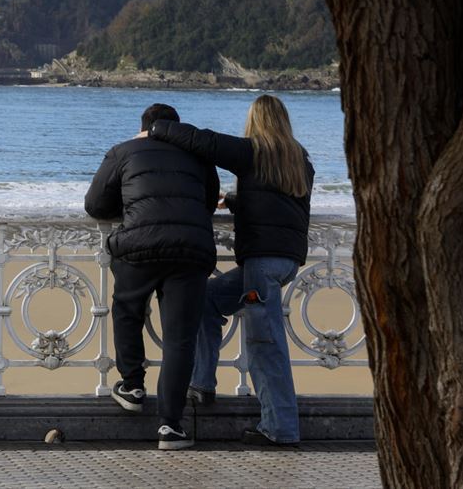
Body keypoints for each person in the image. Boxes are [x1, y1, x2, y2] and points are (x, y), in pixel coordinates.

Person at [148, 94, 314, 447]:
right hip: (284, 261)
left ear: (256, 122)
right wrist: (237, 202)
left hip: (262, 263)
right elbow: (282, 202)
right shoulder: (300, 159)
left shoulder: (252, 151)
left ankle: (280, 428)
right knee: (207, 301)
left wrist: (156, 128)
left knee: (265, 346)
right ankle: (202, 383)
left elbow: (201, 140)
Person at [85, 103, 219, 450]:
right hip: (191, 251)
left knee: (128, 309)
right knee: (180, 339)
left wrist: (132, 208)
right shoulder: (200, 155)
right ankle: (171, 426)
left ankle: (132, 384)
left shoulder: (124, 151)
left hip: (139, 247)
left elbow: (95, 205)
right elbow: (206, 203)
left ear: (143, 127)